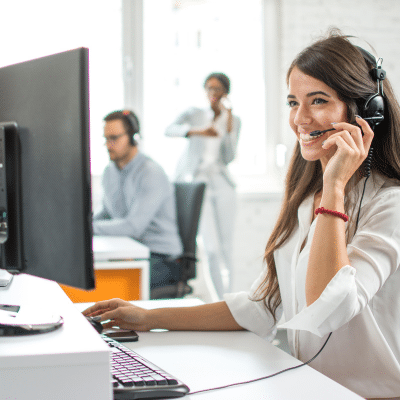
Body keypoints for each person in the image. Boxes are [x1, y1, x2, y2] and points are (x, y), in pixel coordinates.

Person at [84, 31, 400, 399]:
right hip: (309, 386)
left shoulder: (388, 204)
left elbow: (327, 309)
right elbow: (262, 306)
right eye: (293, 102)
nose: (300, 118)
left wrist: (334, 189)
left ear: (368, 113)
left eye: (318, 100)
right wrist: (148, 317)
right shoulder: (305, 199)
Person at [165, 72, 241, 298]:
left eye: (217, 89)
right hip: (198, 182)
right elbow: (168, 130)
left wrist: (228, 128)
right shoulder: (195, 114)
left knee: (227, 248)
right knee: (211, 248)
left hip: (222, 182)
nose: (213, 93)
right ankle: (220, 301)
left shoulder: (233, 119)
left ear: (225, 93)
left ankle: (230, 299)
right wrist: (196, 131)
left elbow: (229, 157)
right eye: (209, 88)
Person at [93, 110, 183, 296]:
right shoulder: (110, 171)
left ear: (133, 137)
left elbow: (133, 226)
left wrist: (88, 229)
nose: (109, 145)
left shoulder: (150, 172)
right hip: (131, 251)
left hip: (161, 258)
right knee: (91, 274)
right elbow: (108, 213)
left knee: (104, 285)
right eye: (106, 139)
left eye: (114, 138)